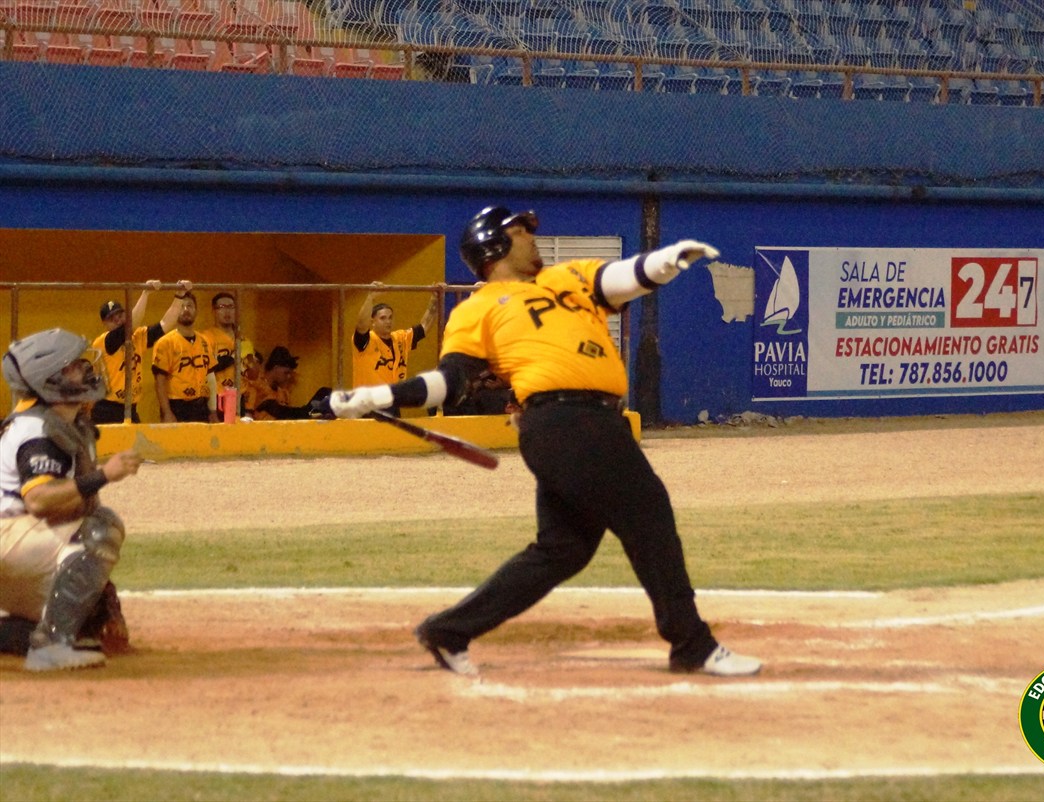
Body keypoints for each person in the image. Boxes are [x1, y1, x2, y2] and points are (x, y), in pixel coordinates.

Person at [318, 206, 762, 678]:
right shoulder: (477, 308)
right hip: (568, 422)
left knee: (563, 549)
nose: (532, 237)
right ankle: (691, 643)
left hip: (582, 424)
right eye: (520, 231)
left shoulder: (568, 277)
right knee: (648, 514)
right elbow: (449, 382)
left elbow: (623, 278)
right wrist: (377, 396)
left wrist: (666, 260)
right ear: (493, 246)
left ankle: (449, 630)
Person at [0, 329, 143, 671]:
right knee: (100, 529)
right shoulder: (37, 430)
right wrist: (104, 475)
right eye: (73, 366)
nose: (85, 369)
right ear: (49, 378)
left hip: (18, 546)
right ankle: (50, 646)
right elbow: (39, 501)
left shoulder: (64, 423)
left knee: (86, 618)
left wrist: (102, 590)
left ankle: (17, 629)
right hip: (9, 539)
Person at [90, 279, 191, 424]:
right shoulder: (104, 342)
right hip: (107, 409)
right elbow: (130, 325)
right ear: (105, 324)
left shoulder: (137, 337)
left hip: (130, 408)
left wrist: (179, 296)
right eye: (111, 319)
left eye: (120, 315)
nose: (117, 320)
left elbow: (165, 323)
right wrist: (146, 293)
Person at [351, 282, 439, 389]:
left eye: (390, 317)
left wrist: (435, 299)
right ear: (372, 322)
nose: (388, 321)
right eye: (383, 318)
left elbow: (424, 326)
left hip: (394, 397)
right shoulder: (366, 340)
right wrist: (370, 298)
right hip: (369, 398)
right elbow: (361, 325)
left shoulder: (400, 338)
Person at [151, 291, 216, 423]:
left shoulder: (205, 341)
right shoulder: (165, 342)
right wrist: (167, 412)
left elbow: (211, 378)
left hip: (201, 406)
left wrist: (213, 411)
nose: (186, 309)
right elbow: (160, 382)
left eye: (190, 306)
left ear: (196, 311)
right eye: (181, 306)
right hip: (177, 406)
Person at [201, 292, 255, 422]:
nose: (227, 311)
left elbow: (253, 375)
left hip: (239, 398)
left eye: (231, 307)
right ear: (214, 311)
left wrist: (251, 362)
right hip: (216, 398)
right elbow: (205, 368)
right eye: (222, 307)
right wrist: (232, 357)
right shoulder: (206, 337)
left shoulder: (244, 341)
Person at [242, 346, 330, 421]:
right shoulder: (256, 386)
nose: (288, 377)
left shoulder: (283, 393)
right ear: (276, 367)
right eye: (286, 373)